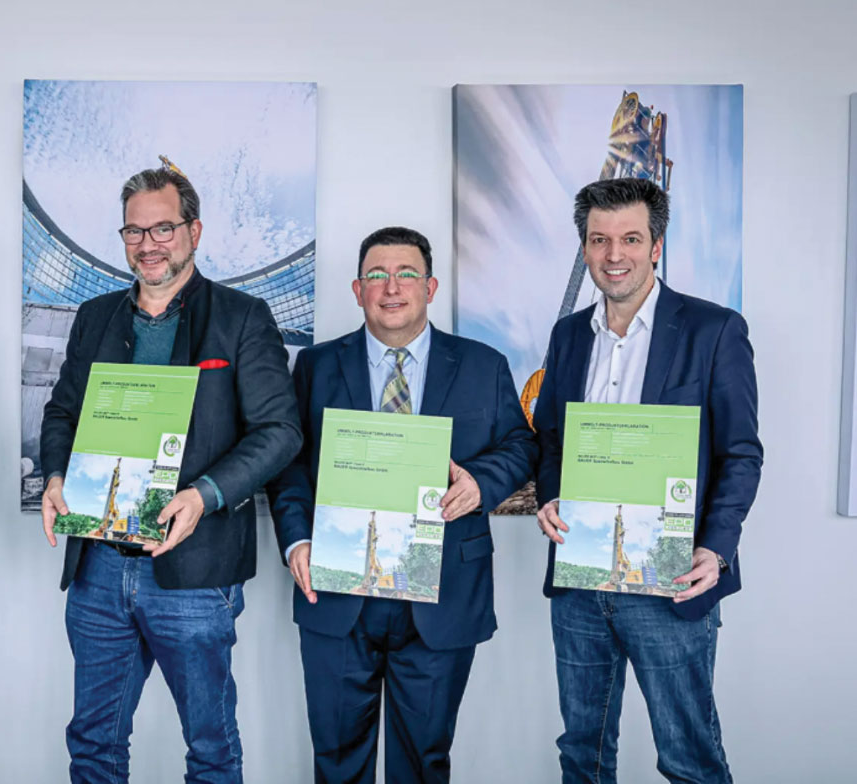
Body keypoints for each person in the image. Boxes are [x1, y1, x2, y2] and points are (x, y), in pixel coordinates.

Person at [38, 166, 301, 783]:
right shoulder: (96, 315)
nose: (147, 244)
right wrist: (55, 475)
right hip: (98, 566)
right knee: (93, 745)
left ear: (194, 230)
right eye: (134, 231)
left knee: (210, 748)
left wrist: (203, 495)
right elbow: (63, 412)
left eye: (163, 228)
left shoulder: (241, 317)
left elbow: (280, 432)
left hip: (195, 571)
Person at [268, 226, 537, 783]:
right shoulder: (316, 367)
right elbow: (289, 463)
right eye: (377, 275)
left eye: (407, 274)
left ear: (431, 286)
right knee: (337, 760)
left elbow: (522, 446)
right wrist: (296, 537)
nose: (392, 287)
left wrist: (480, 485)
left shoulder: (483, 365)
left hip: (443, 596)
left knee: (424, 762)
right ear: (357, 288)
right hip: (337, 590)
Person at [533, 177, 762, 783]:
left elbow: (741, 453)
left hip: (673, 580)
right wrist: (551, 493)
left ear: (655, 245)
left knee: (688, 758)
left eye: (630, 238)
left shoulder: (714, 331)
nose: (615, 255)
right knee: (581, 754)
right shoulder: (566, 336)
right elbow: (552, 438)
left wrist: (716, 549)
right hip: (580, 580)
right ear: (583, 247)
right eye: (599, 239)